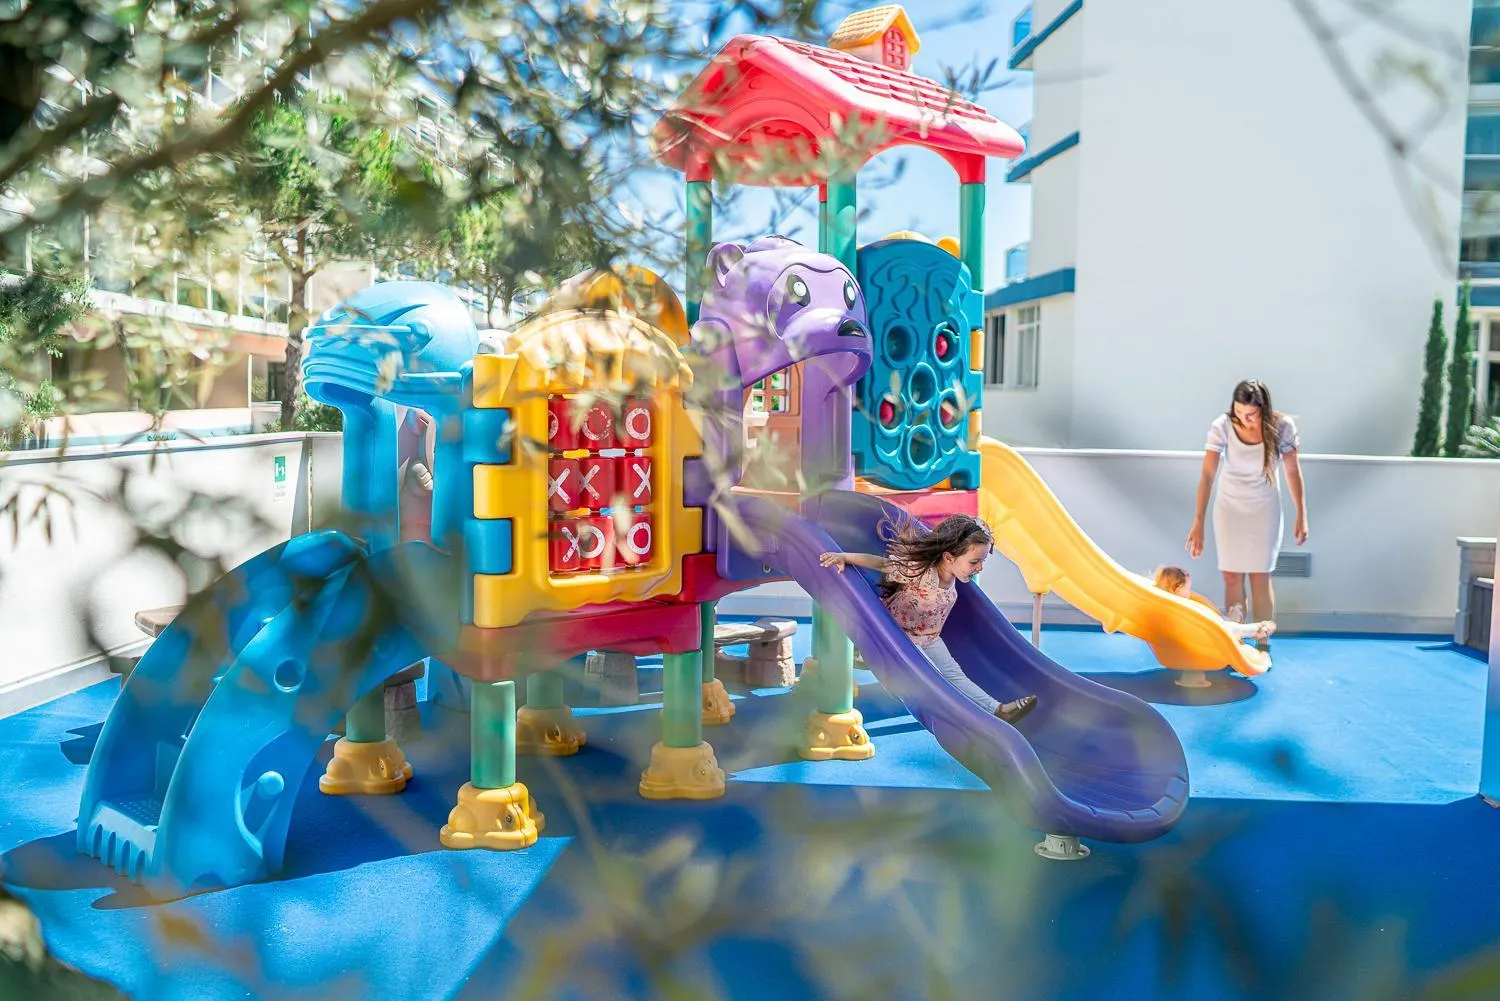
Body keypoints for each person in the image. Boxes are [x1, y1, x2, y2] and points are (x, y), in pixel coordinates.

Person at [817, 514, 1038, 725]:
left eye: (981, 561)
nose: (979, 567)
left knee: (954, 673)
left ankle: (997, 710)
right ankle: (961, 715)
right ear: (949, 557)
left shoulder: (952, 575)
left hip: (929, 637)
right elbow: (883, 564)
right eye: (974, 562)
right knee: (931, 675)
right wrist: (844, 557)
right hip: (900, 638)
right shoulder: (919, 571)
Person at [1185, 379, 1308, 653]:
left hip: (1264, 508)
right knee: (1231, 576)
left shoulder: (1282, 427)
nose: (1244, 419)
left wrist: (1302, 513)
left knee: (1260, 577)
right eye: (1239, 413)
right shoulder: (1222, 426)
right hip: (1229, 508)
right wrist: (1198, 521)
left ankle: (1262, 643)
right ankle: (1234, 643)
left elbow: (1292, 472)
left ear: (1263, 409)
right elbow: (1207, 475)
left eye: (1250, 415)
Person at [1152, 565, 1276, 643]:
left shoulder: (1169, 603)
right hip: (1203, 635)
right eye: (1187, 590)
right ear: (1178, 589)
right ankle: (1255, 630)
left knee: (1223, 623)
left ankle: (1233, 620)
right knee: (1226, 628)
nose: (1189, 593)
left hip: (1206, 628)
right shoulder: (1176, 607)